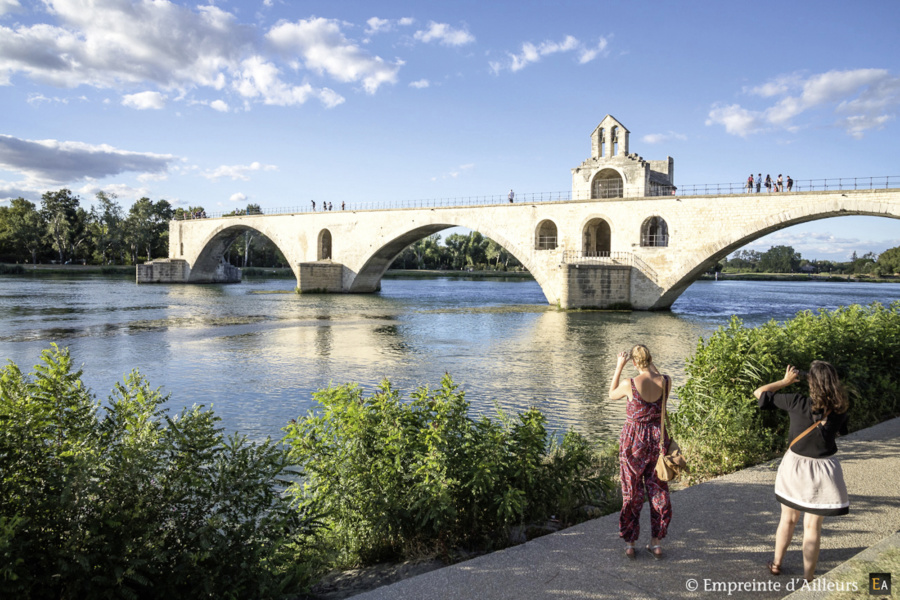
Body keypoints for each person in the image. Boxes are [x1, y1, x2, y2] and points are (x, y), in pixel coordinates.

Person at [753, 361, 850, 582]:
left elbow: (759, 393)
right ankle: (808, 578)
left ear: (811, 382)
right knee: (812, 526)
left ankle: (777, 564)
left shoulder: (797, 401)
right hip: (824, 470)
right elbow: (842, 432)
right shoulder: (840, 409)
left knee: (787, 519)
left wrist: (784, 381)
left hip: (795, 467)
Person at [609, 344, 673, 560]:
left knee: (632, 491)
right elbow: (654, 375)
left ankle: (630, 543)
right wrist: (648, 364)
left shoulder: (630, 384)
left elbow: (611, 394)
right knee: (657, 489)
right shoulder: (665, 381)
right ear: (651, 359)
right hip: (657, 440)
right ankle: (656, 543)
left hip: (633, 442)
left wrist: (619, 366)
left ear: (634, 362)